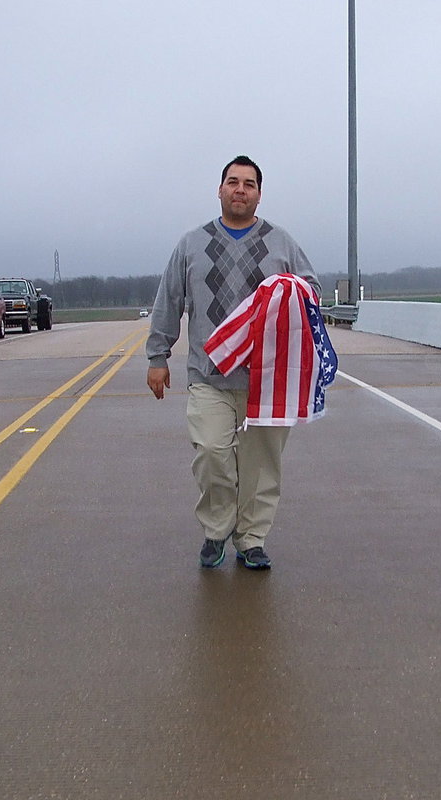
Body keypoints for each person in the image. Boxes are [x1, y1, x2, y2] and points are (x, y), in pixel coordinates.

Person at [146, 155, 321, 569]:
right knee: (211, 453)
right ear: (220, 189)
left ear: (259, 194)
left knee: (261, 466)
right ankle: (216, 529)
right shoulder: (191, 244)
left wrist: (291, 292)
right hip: (209, 374)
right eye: (233, 182)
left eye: (249, 184)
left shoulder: (281, 242)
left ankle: (251, 539)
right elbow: (169, 300)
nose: (240, 189)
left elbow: (310, 289)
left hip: (267, 379)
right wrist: (158, 355)